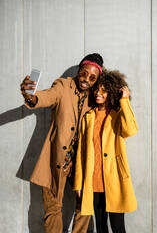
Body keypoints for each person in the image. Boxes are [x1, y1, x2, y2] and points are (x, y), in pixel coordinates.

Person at [20, 53, 104, 233]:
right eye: (84, 73)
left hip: (80, 162)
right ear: (79, 70)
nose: (86, 80)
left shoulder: (95, 97)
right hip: (54, 159)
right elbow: (46, 97)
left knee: (85, 206)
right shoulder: (63, 86)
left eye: (92, 78)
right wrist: (30, 96)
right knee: (52, 209)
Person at [73, 70, 138, 233]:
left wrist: (124, 100)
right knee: (101, 228)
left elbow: (131, 130)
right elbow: (81, 152)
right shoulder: (88, 117)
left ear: (111, 92)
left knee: (118, 228)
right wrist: (78, 183)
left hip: (114, 180)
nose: (98, 94)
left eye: (104, 90)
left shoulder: (117, 116)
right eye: (97, 90)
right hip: (93, 182)